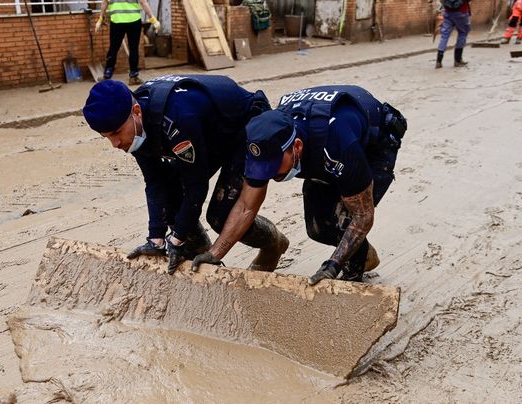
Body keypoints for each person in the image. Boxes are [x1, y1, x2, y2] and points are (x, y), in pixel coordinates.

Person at [191, 85, 407, 285]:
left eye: (274, 165)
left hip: (372, 148)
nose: (271, 173)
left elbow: (363, 216)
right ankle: (365, 253)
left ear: (297, 146)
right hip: (320, 147)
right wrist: (215, 253)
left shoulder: (337, 143)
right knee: (318, 229)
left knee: (344, 221)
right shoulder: (266, 141)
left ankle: (354, 273)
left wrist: (332, 266)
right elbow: (247, 206)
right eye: (263, 168)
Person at [82, 75, 289, 274]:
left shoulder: (177, 118)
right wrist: (156, 239)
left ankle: (273, 245)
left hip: (242, 127)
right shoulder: (135, 124)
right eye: (106, 137)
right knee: (171, 197)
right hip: (207, 132)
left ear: (136, 111)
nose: (115, 143)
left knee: (220, 216)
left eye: (117, 133)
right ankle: (200, 262)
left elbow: (195, 184)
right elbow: (155, 181)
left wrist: (177, 238)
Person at [95, 0, 160, 85]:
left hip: (117, 22)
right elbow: (143, 2)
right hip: (134, 21)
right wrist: (153, 19)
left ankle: (107, 74)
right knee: (133, 48)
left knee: (113, 48)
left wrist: (101, 18)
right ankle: (133, 76)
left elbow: (104, 3)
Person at [435, 0, 471, 68]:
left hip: (448, 13)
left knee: (444, 36)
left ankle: (438, 61)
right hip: (461, 13)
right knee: (462, 33)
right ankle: (457, 60)